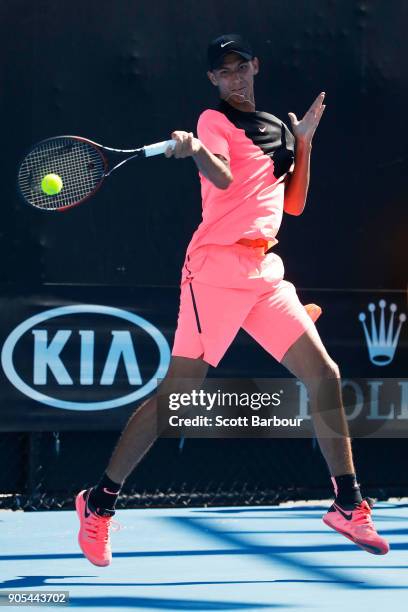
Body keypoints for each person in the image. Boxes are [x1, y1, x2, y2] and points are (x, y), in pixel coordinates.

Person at [75, 34, 389, 566]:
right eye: (224, 71)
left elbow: (293, 204)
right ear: (213, 81)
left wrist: (305, 142)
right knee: (178, 403)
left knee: (324, 375)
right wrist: (196, 149)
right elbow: (220, 177)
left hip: (265, 269)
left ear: (255, 66)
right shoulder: (212, 121)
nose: (235, 77)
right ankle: (99, 503)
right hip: (215, 270)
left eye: (241, 66)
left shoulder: (279, 129)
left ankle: (347, 504)